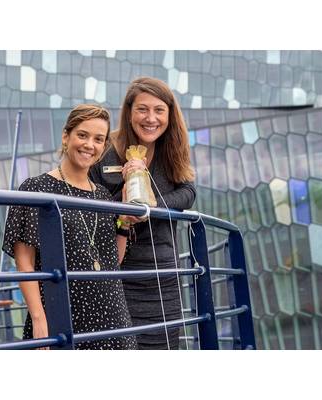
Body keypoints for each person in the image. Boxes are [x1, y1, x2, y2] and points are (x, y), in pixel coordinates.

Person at [2, 104, 137, 350]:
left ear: (104, 146)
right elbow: (24, 262)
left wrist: (124, 223)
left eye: (98, 139)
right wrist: (39, 319)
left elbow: (111, 262)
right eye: (82, 135)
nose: (89, 145)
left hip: (113, 318)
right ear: (66, 136)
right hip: (62, 316)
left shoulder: (104, 196)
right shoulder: (36, 188)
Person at [89, 77, 196, 350]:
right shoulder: (106, 151)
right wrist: (124, 198)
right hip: (118, 272)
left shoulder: (171, 148)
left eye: (159, 110)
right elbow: (90, 203)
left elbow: (188, 193)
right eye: (142, 109)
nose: (151, 118)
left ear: (170, 114)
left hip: (163, 272)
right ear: (129, 111)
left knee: (164, 346)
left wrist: (152, 209)